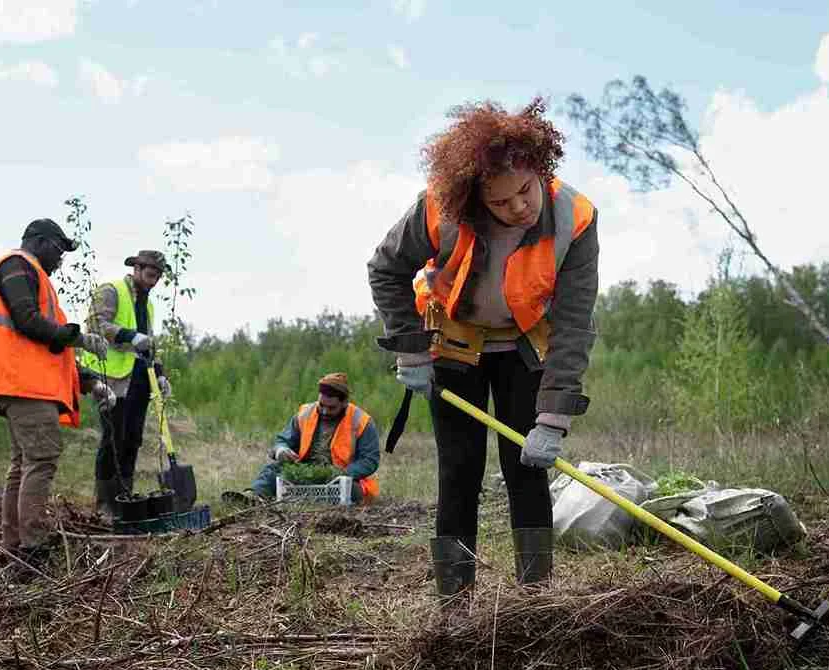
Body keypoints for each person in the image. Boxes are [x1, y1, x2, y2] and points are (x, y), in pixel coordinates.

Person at [367, 97, 599, 598]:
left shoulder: (574, 218)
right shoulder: (441, 207)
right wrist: (410, 351)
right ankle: (455, 603)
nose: (519, 207)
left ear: (540, 170)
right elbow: (385, 269)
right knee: (459, 470)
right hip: (454, 348)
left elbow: (576, 324)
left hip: (523, 348)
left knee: (527, 466)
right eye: (500, 202)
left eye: (526, 190)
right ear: (475, 198)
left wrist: (552, 419)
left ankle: (533, 597)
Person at [0, 218, 113, 563]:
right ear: (40, 242)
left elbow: (45, 349)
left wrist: (90, 382)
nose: (60, 259)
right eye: (59, 250)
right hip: (21, 386)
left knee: (23, 463)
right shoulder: (17, 266)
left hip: (19, 382)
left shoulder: (33, 277)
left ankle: (15, 547)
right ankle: (33, 550)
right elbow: (28, 321)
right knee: (40, 460)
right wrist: (80, 337)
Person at [79, 250, 173, 515]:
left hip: (141, 378)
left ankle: (124, 498)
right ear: (137, 269)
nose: (153, 282)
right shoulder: (111, 290)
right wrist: (130, 335)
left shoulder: (148, 304)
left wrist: (160, 372)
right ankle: (106, 506)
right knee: (113, 439)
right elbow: (96, 324)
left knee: (132, 440)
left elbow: (148, 344)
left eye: (157, 277)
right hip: (112, 378)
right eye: (150, 275)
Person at [225, 373, 381, 505]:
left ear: (345, 402)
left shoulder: (361, 421)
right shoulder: (305, 414)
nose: (325, 411)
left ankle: (319, 501)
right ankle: (253, 498)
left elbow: (370, 460)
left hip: (343, 478)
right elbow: (282, 441)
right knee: (272, 470)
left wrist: (343, 473)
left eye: (331, 407)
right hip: (306, 472)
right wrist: (281, 450)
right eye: (322, 405)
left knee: (350, 490)